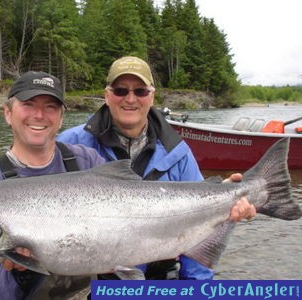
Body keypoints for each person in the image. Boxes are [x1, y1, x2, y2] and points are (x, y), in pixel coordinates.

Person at [57, 56, 256, 280]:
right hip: (94, 279)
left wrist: (225, 205)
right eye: (121, 90)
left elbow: (199, 228)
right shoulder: (70, 145)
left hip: (159, 278)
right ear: (106, 95)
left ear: (152, 96)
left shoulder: (178, 152)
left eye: (140, 91)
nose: (130, 99)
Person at [0, 71, 105, 299]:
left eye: (51, 107)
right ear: (8, 113)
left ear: (61, 118)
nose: (39, 115)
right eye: (29, 104)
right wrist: (23, 273)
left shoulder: (86, 162)